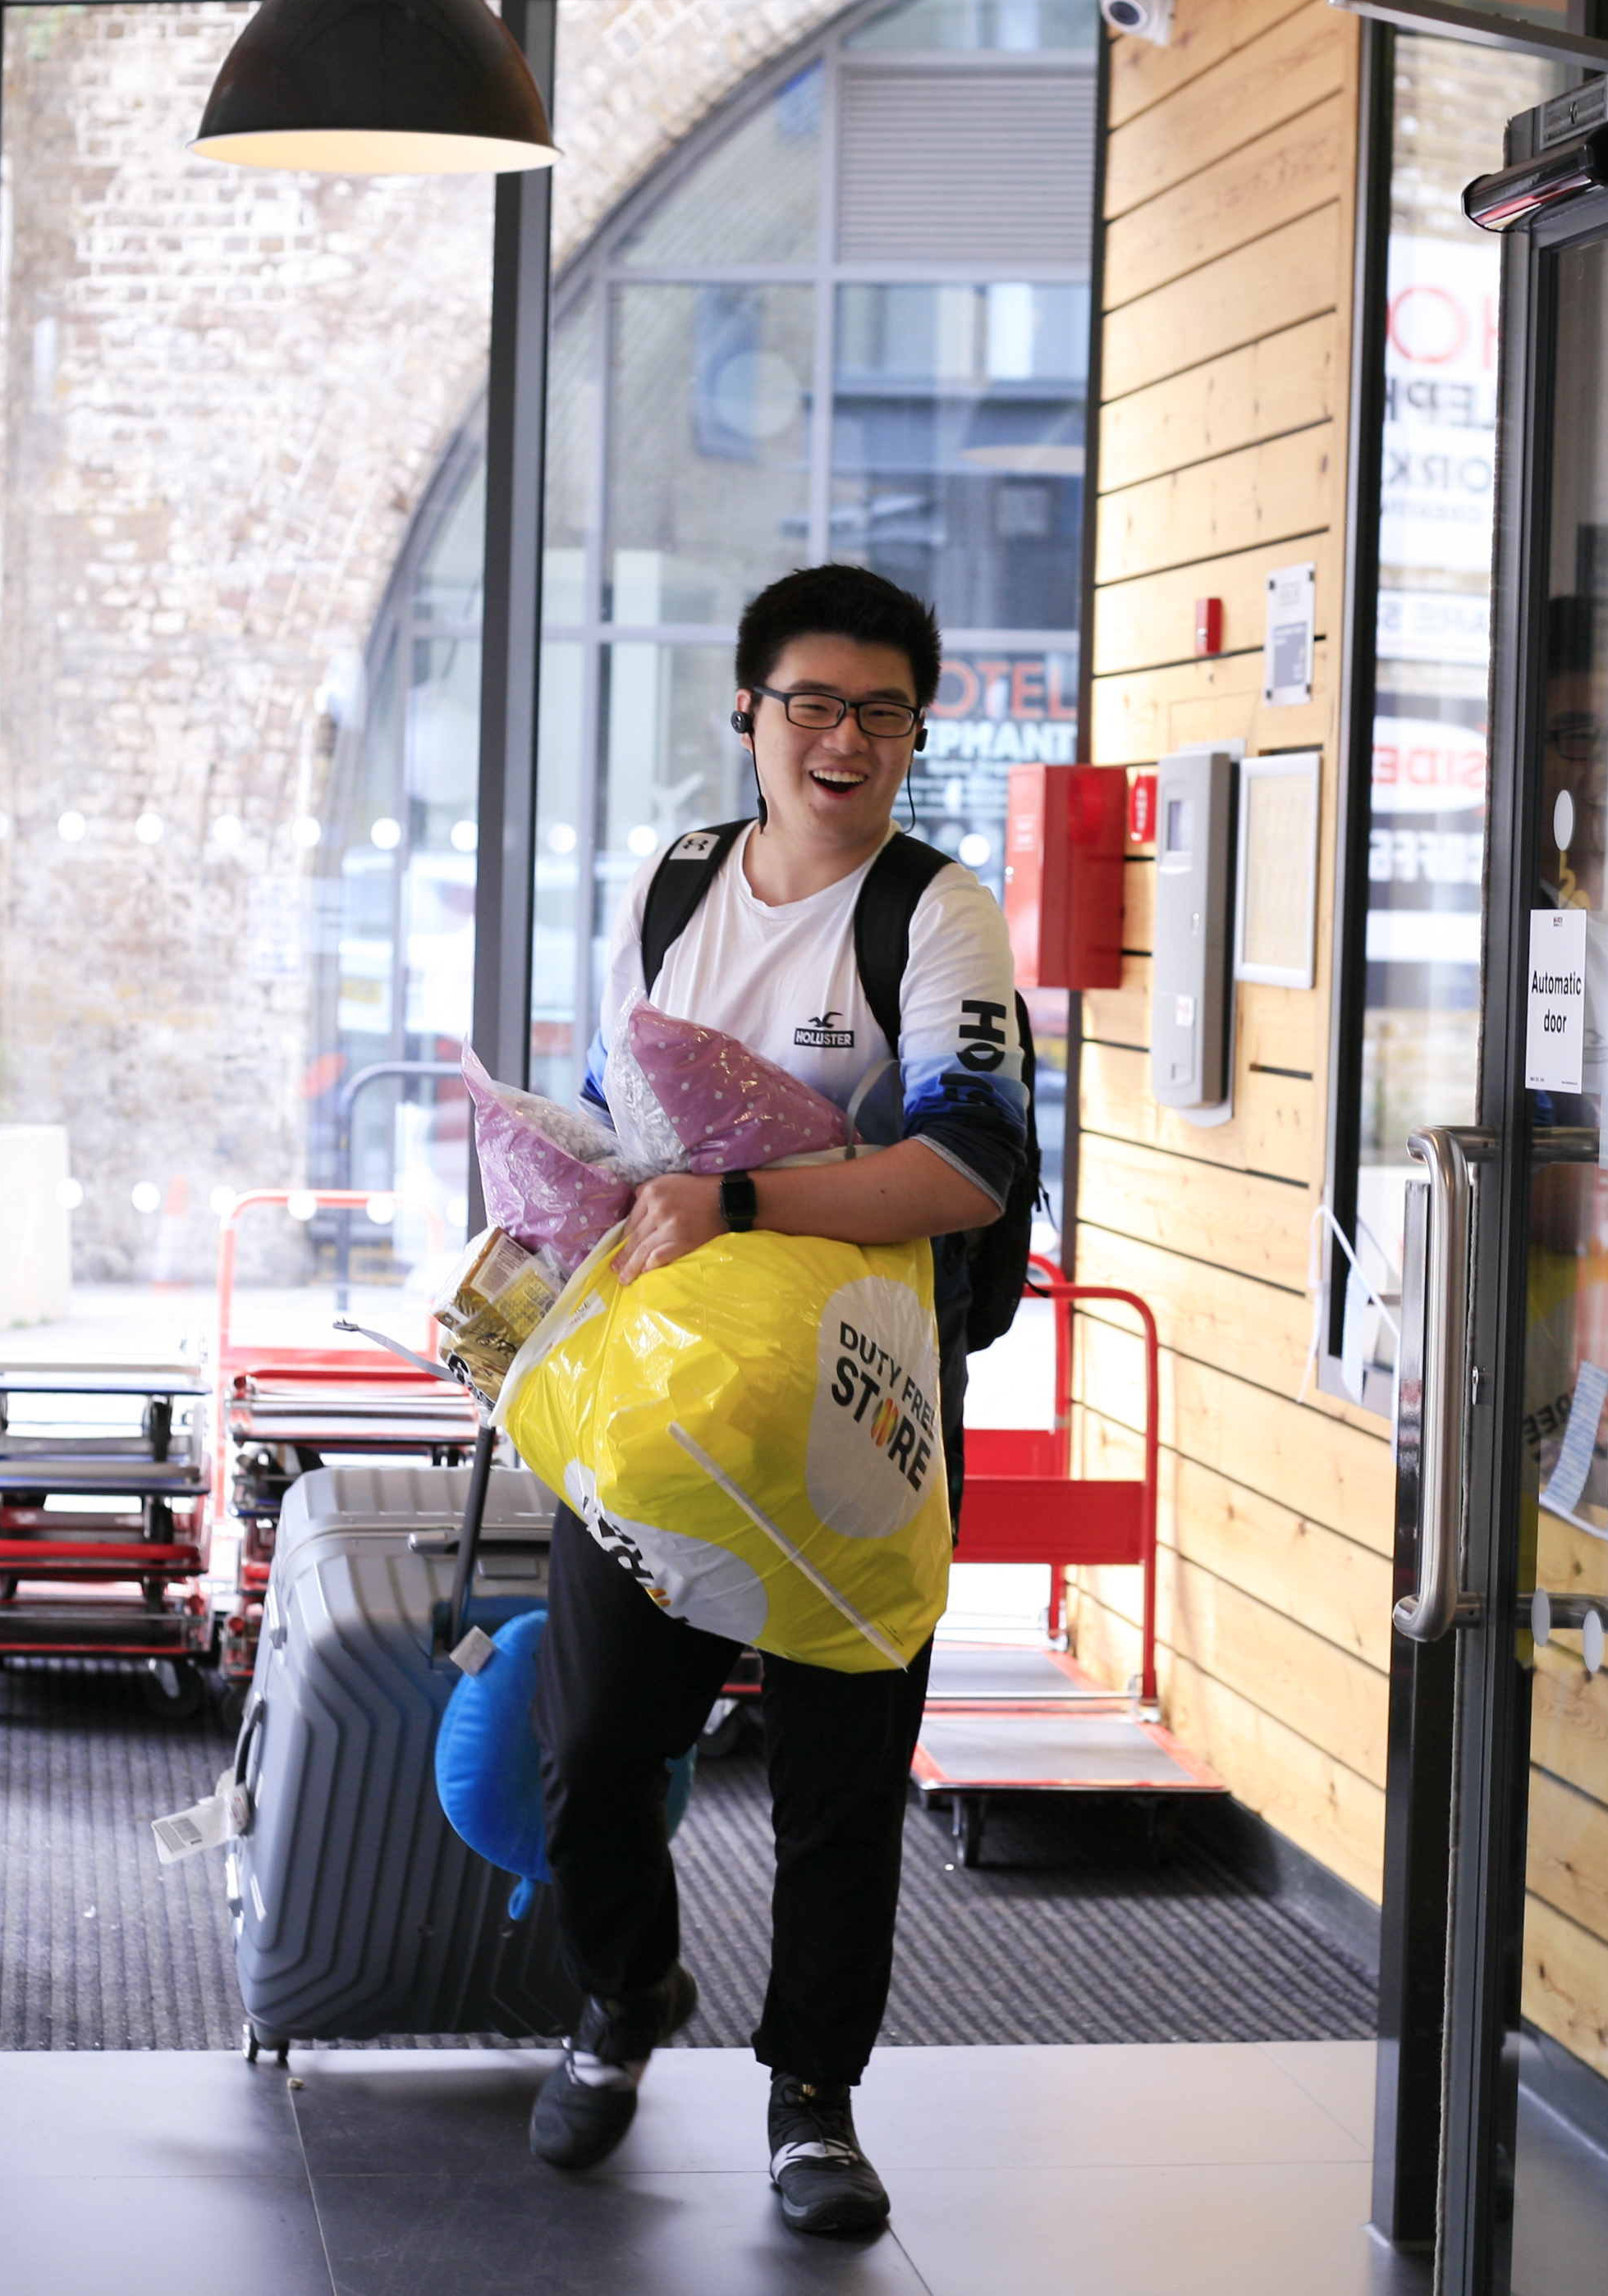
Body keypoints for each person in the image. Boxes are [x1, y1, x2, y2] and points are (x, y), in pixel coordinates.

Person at [528, 563, 1026, 2239]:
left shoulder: (934, 914)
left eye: (883, 711)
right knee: (598, 1743)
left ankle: (813, 2101)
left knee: (835, 1780)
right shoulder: (676, 883)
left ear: (913, 732)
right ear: (747, 711)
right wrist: (550, 1198)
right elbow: (619, 1097)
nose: (846, 739)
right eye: (812, 702)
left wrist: (745, 1203)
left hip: (856, 1409)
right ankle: (622, 1992)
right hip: (661, 1394)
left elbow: (970, 1161)